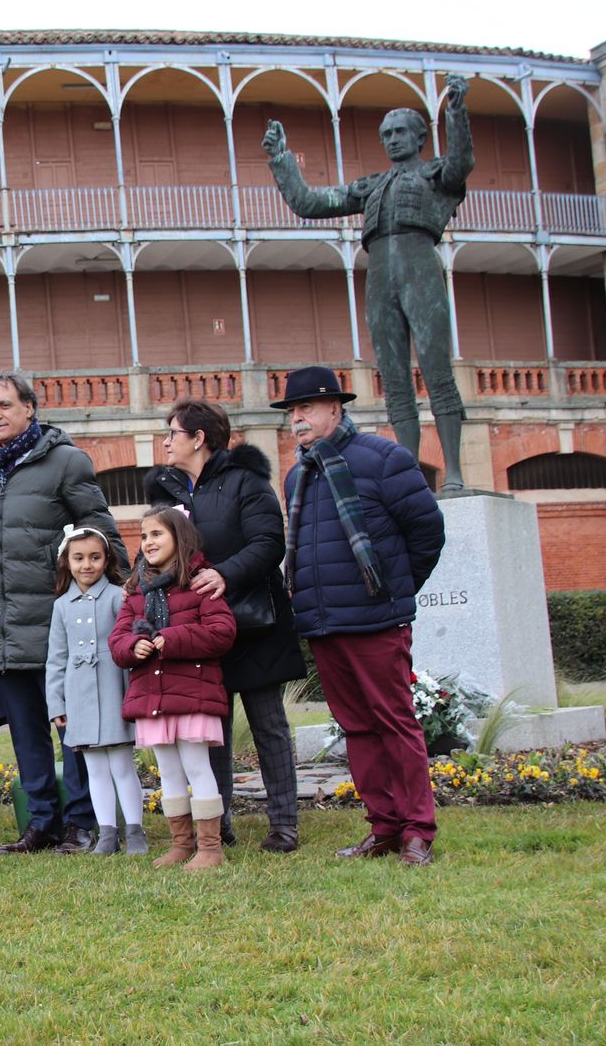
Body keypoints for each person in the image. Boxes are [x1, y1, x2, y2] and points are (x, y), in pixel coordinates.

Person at [263, 74, 473, 491]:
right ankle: (409, 471)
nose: (393, 140)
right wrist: (281, 160)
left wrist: (456, 111)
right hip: (381, 273)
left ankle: (454, 472)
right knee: (393, 376)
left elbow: (461, 162)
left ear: (419, 138)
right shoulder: (373, 186)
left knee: (436, 370)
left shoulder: (435, 175)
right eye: (387, 134)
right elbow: (310, 202)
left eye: (400, 133)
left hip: (419, 266)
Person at [273, 365, 445, 866]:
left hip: (376, 621)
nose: (297, 419)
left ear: (335, 408)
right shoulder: (297, 473)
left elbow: (427, 533)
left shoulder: (384, 459)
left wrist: (393, 591)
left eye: (306, 408)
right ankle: (385, 826)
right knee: (357, 728)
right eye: (291, 411)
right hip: (324, 625)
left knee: (395, 723)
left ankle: (417, 830)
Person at [0, 370, 129, 855]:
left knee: (72, 729)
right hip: (2, 624)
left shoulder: (66, 462)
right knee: (26, 733)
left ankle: (81, 823)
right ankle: (42, 822)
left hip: (61, 624)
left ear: (29, 408)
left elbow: (101, 533)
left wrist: (124, 597)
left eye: (4, 405)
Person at [145, 399, 307, 853]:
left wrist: (225, 573)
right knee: (209, 728)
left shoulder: (246, 482)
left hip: (254, 623)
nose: (166, 441)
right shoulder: (170, 492)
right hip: (199, 630)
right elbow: (158, 549)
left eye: (173, 433)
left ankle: (284, 823)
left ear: (198, 438)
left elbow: (269, 540)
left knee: (268, 724)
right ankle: (220, 822)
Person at [110, 507, 237, 870]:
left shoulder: (200, 584)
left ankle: (210, 848)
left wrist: (171, 637)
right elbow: (117, 639)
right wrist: (132, 648)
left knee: (197, 766)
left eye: (157, 534)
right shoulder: (135, 593)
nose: (148, 542)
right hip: (152, 695)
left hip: (193, 694)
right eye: (145, 536)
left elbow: (222, 632)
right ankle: (181, 843)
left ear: (179, 538)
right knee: (168, 771)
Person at [45, 525, 145, 856]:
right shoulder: (61, 606)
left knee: (121, 765)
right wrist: (56, 703)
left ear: (106, 560)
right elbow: (56, 659)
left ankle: (135, 832)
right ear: (67, 562)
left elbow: (130, 650)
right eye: (78, 558)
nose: (86, 565)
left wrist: (135, 696)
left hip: (114, 689)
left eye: (94, 557)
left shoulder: (119, 596)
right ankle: (107, 834)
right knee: (95, 770)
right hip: (80, 697)